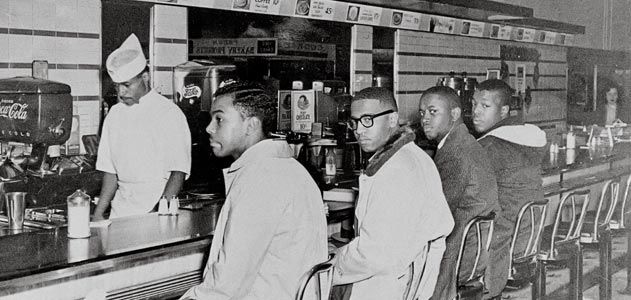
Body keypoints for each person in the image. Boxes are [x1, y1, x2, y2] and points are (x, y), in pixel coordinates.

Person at [180, 81, 327, 300]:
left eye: (219, 119)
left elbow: (227, 287)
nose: (209, 128)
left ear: (251, 125)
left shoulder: (261, 179)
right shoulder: (288, 168)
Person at [331, 87, 454, 300]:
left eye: (368, 120)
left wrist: (332, 261)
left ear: (392, 119)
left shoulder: (396, 170)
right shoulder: (413, 155)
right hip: (404, 281)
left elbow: (373, 255)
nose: (359, 130)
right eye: (355, 122)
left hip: (387, 287)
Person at [94, 34, 191, 219]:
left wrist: (157, 213)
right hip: (120, 212)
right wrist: (98, 214)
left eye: (127, 85)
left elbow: (178, 172)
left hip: (155, 206)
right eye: (116, 86)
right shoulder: (114, 115)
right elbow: (110, 171)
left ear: (145, 77)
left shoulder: (168, 113)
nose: (121, 93)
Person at [419, 86, 499, 300]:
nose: (425, 119)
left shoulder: (454, 152)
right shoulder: (464, 142)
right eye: (422, 113)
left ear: (454, 114)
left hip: (459, 257)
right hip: (477, 253)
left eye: (433, 112)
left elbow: (436, 215)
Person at [471, 80, 546, 299]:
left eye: (485, 106)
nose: (476, 112)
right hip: (526, 240)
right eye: (474, 104)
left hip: (498, 249)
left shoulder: (489, 147)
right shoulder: (526, 140)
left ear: (503, 110)